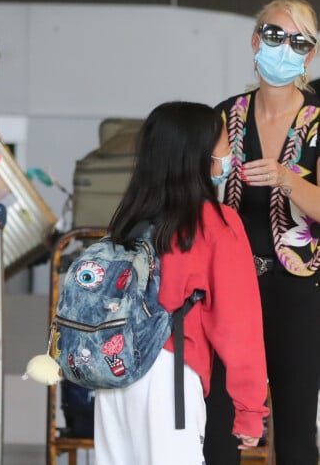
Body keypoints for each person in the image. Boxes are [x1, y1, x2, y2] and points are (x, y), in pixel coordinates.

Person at [95, 101, 268, 465]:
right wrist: (250, 408)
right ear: (199, 155)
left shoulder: (129, 218)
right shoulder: (216, 223)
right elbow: (239, 326)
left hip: (113, 372)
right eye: (224, 143)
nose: (229, 153)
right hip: (168, 375)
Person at [206, 0, 320, 465]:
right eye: (274, 35)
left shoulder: (317, 122)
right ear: (255, 41)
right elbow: (200, 201)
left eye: (298, 40)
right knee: (220, 424)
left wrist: (287, 180)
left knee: (294, 430)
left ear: (309, 55)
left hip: (298, 289)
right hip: (229, 288)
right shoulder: (223, 115)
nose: (283, 47)